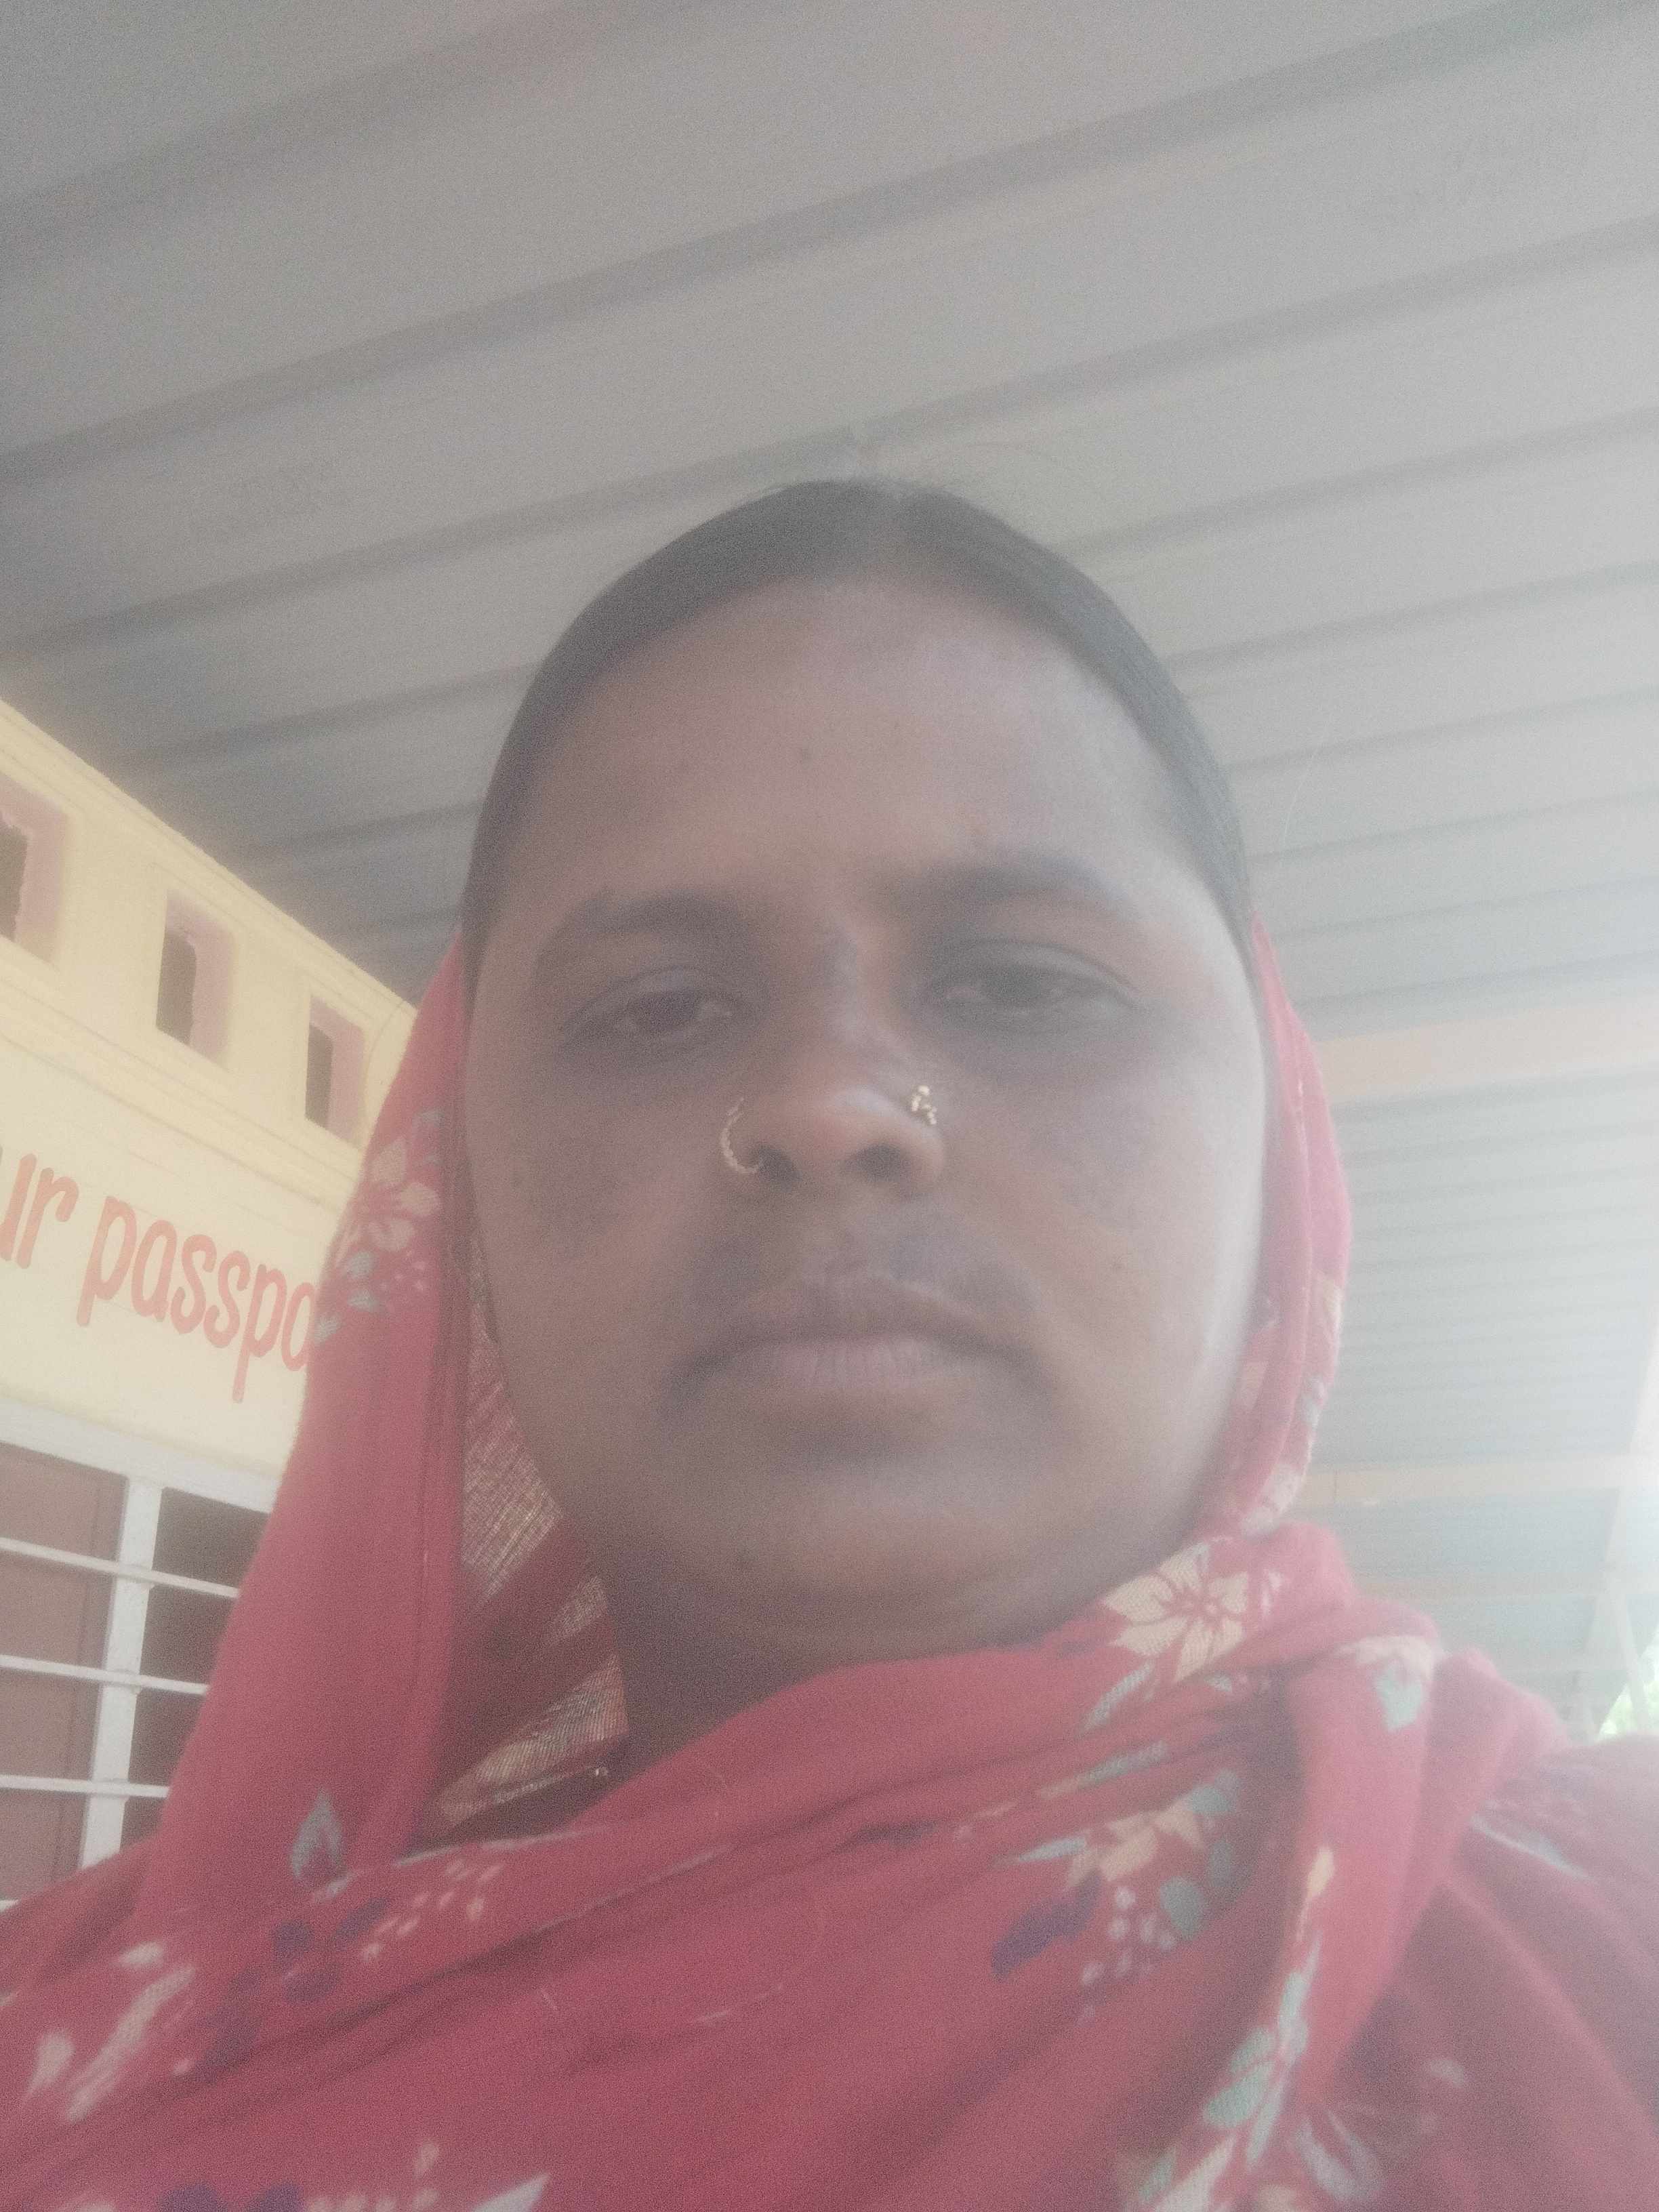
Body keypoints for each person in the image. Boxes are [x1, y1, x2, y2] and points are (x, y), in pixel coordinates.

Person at [1, 480, 1654, 2211]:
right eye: (658, 1006)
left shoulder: (1598, 1963)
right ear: (460, 1189)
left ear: (1279, 1150)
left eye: (1023, 984)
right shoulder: (92, 2036)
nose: (827, 1105)